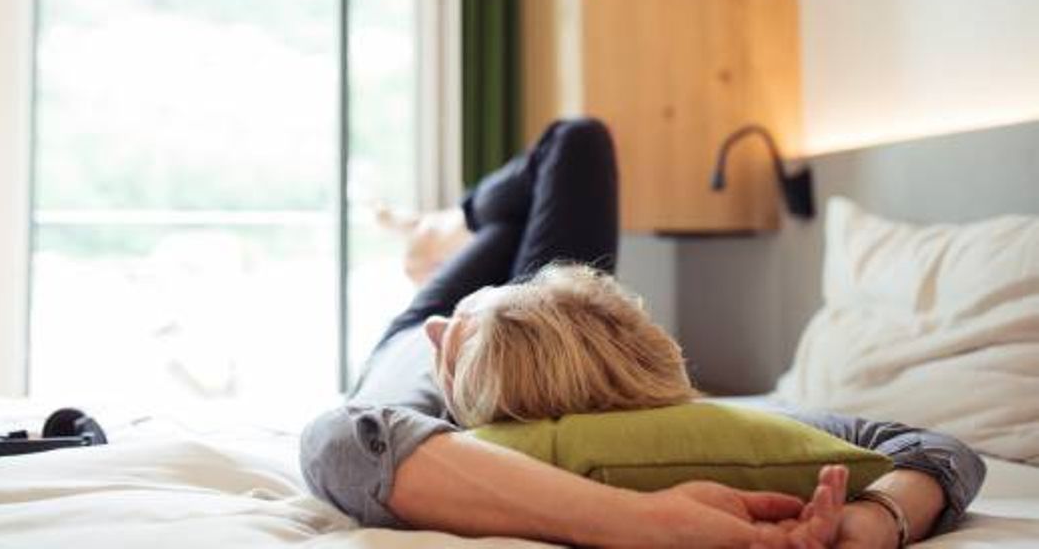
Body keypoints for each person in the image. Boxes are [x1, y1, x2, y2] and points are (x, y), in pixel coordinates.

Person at [301, 118, 985, 548]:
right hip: (533, 317)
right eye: (447, 336)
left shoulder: (430, 394)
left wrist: (869, 522)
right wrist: (650, 522)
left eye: (444, 346)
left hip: (506, 336)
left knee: (529, 200)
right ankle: (443, 228)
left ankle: (442, 236)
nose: (435, 324)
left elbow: (343, 440)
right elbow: (934, 452)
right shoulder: (489, 375)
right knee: (576, 143)